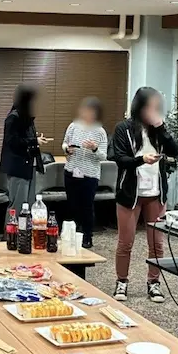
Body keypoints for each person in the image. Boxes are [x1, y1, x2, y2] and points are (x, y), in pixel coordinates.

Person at [109, 86, 178, 303]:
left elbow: (174, 151)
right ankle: (121, 281)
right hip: (130, 194)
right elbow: (120, 159)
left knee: (157, 244)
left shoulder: (159, 129)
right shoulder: (124, 128)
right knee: (125, 242)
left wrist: (161, 127)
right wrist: (141, 160)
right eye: (150, 106)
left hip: (156, 194)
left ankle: (154, 283)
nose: (153, 110)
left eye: (156, 107)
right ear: (140, 106)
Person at [62, 97, 108, 249]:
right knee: (72, 205)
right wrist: (67, 149)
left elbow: (104, 156)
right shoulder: (73, 126)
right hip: (71, 170)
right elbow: (64, 143)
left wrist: (94, 148)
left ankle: (87, 236)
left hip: (90, 174)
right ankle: (72, 235)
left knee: (86, 206)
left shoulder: (100, 131)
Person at [0, 84, 49, 215]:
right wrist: (34, 141)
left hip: (30, 165)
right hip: (18, 167)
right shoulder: (13, 117)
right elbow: (12, 142)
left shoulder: (27, 118)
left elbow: (26, 138)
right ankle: (12, 228)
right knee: (18, 203)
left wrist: (35, 139)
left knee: (30, 202)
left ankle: (26, 227)